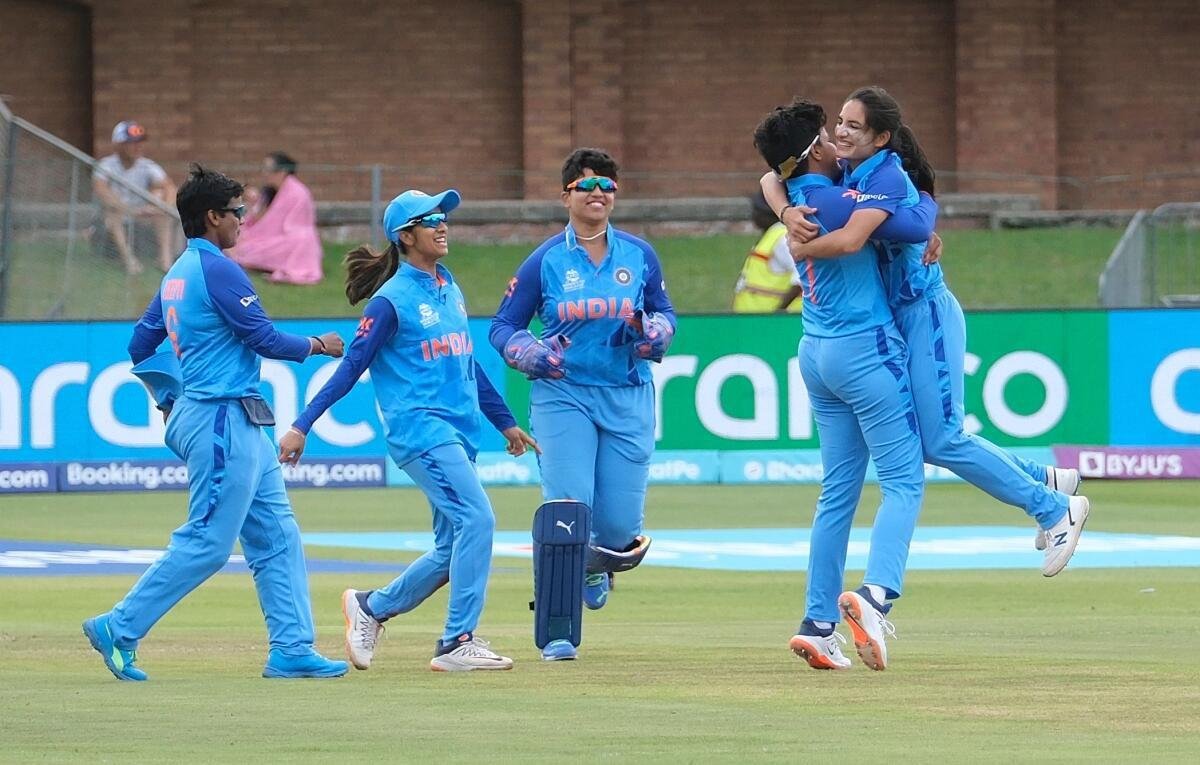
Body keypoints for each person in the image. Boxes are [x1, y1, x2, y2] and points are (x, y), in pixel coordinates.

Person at [767, 86, 1089, 576]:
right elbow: (771, 177)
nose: (841, 132)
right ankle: (1046, 482)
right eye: (840, 124)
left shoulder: (883, 176)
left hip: (925, 313)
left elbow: (913, 225)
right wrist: (786, 211)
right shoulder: (846, 173)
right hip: (899, 318)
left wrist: (808, 245)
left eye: (853, 126)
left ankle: (1053, 507)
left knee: (941, 440)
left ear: (881, 138)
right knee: (935, 441)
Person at [82, 165, 349, 682]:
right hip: (223, 418)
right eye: (237, 212)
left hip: (231, 418)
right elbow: (264, 339)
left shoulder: (178, 272)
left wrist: (169, 399)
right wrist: (319, 345)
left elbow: (140, 345)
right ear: (211, 217)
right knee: (207, 541)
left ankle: (292, 648)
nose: (243, 221)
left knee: (277, 535)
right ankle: (119, 625)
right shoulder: (218, 270)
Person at [278, 189, 536, 673]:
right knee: (478, 520)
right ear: (405, 236)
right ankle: (457, 641)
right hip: (422, 431)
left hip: (459, 432)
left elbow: (466, 362)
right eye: (430, 220)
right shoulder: (390, 302)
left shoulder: (449, 287)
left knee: (451, 546)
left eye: (444, 217)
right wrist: (301, 424)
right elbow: (351, 366)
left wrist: (504, 422)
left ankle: (371, 607)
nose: (443, 225)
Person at [754, 99, 943, 671]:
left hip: (815, 351)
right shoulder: (837, 201)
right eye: (828, 132)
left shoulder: (798, 193)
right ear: (814, 149)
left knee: (837, 493)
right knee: (904, 481)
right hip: (864, 349)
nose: (838, 136)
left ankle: (817, 625)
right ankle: (875, 597)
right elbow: (916, 222)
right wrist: (927, 209)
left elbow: (768, 178)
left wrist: (781, 207)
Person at [489, 148, 676, 662]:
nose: (598, 194)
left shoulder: (639, 254)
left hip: (627, 394)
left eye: (607, 186)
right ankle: (557, 630)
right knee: (567, 509)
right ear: (565, 196)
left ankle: (595, 564)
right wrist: (527, 353)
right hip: (563, 393)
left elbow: (663, 311)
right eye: (587, 186)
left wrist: (657, 331)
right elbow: (503, 326)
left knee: (617, 529)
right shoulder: (545, 260)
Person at [93, 121, 178, 273]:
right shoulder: (106, 166)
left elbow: (169, 187)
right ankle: (129, 261)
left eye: (140, 142)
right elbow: (102, 192)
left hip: (140, 216)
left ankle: (165, 260)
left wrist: (164, 207)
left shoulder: (147, 166)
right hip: (112, 220)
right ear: (118, 145)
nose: (138, 146)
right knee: (112, 210)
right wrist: (129, 210)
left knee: (160, 199)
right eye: (131, 143)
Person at [229, 152, 324, 285]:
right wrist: (254, 203)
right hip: (272, 236)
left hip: (292, 238)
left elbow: (297, 225)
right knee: (244, 244)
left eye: (268, 169)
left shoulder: (298, 192)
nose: (264, 173)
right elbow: (260, 219)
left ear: (282, 171)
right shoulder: (269, 192)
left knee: (252, 248)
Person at [732, 191, 803, 313]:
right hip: (757, 319)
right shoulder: (771, 234)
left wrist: (778, 313)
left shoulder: (783, 238)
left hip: (776, 321)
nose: (754, 215)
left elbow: (800, 278)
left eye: (758, 211)